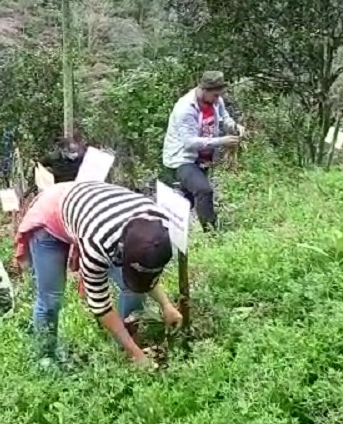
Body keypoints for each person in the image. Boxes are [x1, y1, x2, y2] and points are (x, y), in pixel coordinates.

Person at [15, 181, 183, 367]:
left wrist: (166, 305)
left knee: (133, 289)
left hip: (92, 207)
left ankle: (129, 337)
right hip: (51, 217)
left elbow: (147, 272)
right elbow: (100, 305)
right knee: (51, 298)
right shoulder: (98, 243)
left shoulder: (158, 228)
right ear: (121, 251)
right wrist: (135, 354)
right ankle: (45, 357)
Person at [162, 71, 244, 232]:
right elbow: (189, 142)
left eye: (219, 95)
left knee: (187, 201)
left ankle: (168, 231)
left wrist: (234, 126)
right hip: (182, 158)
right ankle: (213, 234)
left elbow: (224, 117)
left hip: (202, 158)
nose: (217, 99)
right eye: (214, 95)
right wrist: (222, 141)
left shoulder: (215, 100)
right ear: (204, 89)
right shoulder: (185, 109)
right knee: (203, 190)